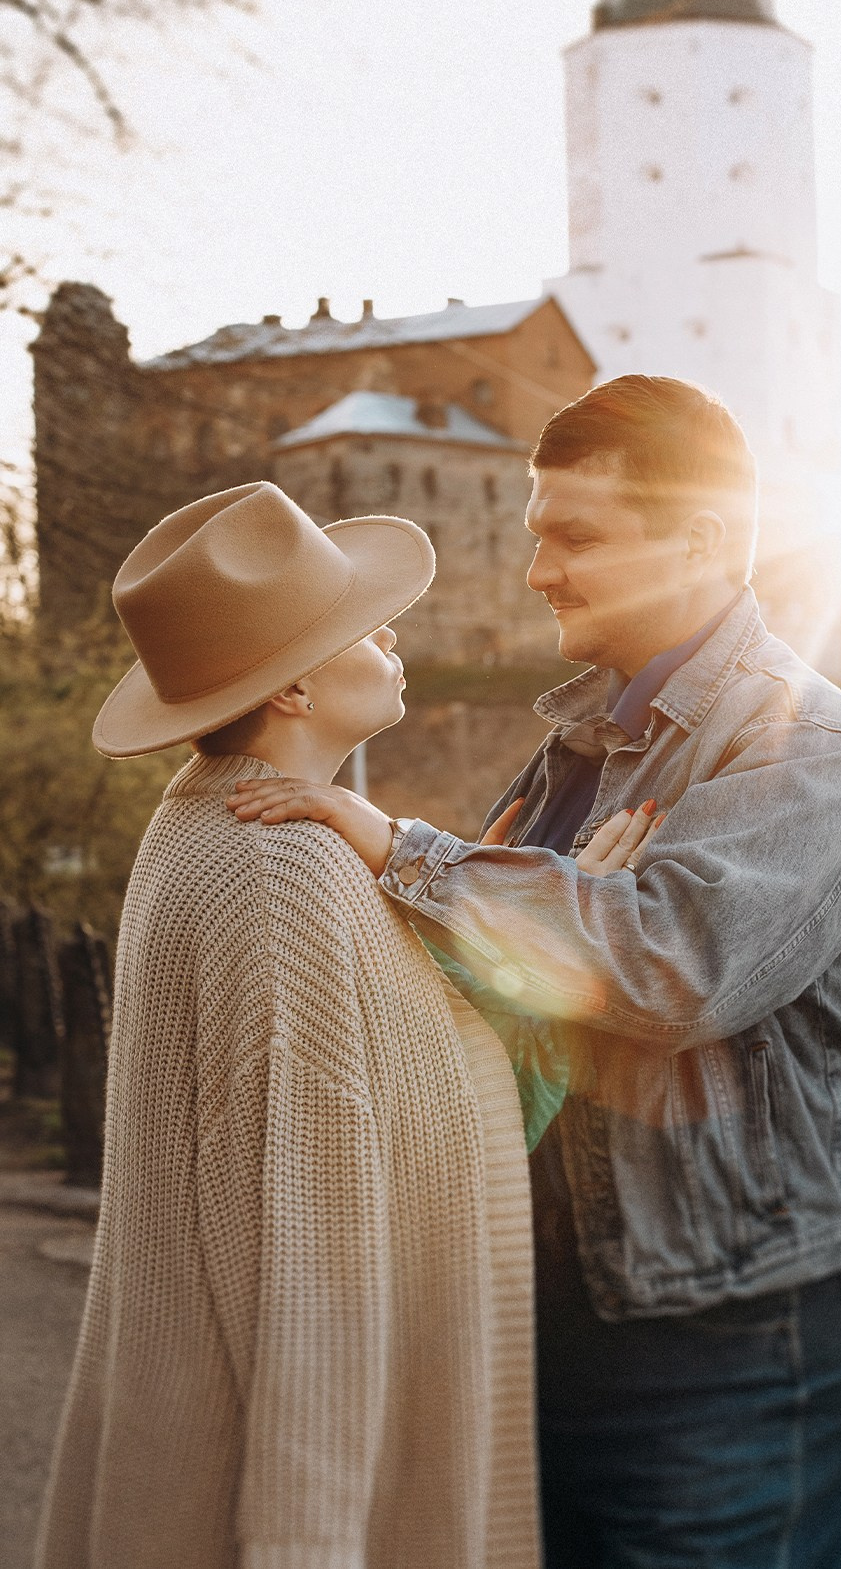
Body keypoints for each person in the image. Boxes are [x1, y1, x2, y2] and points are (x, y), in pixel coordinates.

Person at [229, 376, 841, 1569]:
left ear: (697, 540)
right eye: (540, 531)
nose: (536, 568)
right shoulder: (584, 745)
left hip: (732, 1335)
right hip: (568, 1312)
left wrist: (406, 850)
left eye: (574, 535)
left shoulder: (804, 742)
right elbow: (519, 981)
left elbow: (665, 967)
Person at [37, 480, 653, 1569]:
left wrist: (519, 901)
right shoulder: (284, 871)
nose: (392, 632)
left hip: (194, 1432)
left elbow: (404, 1081)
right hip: (266, 1485)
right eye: (362, 626)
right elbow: (308, 1239)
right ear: (294, 688)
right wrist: (309, 1536)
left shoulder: (210, 829)